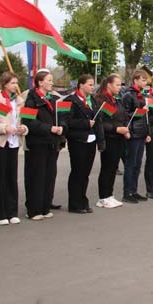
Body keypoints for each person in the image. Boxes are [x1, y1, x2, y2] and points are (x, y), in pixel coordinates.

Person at [22, 70, 66, 220]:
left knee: (49, 176)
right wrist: (49, 128)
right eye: (49, 80)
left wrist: (61, 127)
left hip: (52, 142)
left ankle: (45, 207)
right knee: (37, 176)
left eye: (52, 80)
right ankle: (34, 209)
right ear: (40, 82)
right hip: (37, 143)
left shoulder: (54, 99)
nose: (51, 83)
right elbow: (28, 121)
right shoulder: (31, 99)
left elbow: (62, 116)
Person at [0, 71, 28, 225]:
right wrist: (5, 128)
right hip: (0, 143)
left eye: (17, 83)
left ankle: (12, 211)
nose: (16, 86)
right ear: (4, 84)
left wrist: (23, 128)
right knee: (0, 178)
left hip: (14, 143)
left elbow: (23, 121)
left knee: (12, 178)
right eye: (12, 83)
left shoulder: (19, 101)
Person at [65, 75, 101, 213]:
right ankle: (74, 203)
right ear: (81, 85)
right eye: (90, 85)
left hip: (90, 139)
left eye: (93, 85)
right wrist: (85, 123)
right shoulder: (72, 100)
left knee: (85, 172)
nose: (92, 87)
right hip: (78, 140)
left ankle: (83, 200)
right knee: (77, 172)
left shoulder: (91, 100)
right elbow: (68, 121)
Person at [94, 74, 128, 209]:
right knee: (107, 168)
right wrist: (116, 129)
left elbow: (122, 115)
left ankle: (109, 194)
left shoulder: (116, 100)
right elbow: (101, 122)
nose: (120, 88)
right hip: (109, 138)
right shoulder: (101, 100)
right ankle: (103, 197)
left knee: (113, 167)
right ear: (109, 84)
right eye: (117, 85)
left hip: (119, 137)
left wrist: (125, 127)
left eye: (120, 85)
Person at [121, 70, 151, 203]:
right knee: (130, 164)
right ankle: (127, 192)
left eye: (146, 80)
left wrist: (147, 132)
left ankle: (134, 190)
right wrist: (139, 112)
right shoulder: (128, 95)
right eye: (143, 80)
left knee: (138, 164)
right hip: (133, 133)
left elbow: (146, 117)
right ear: (135, 80)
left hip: (141, 132)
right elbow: (125, 114)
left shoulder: (142, 95)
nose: (145, 83)